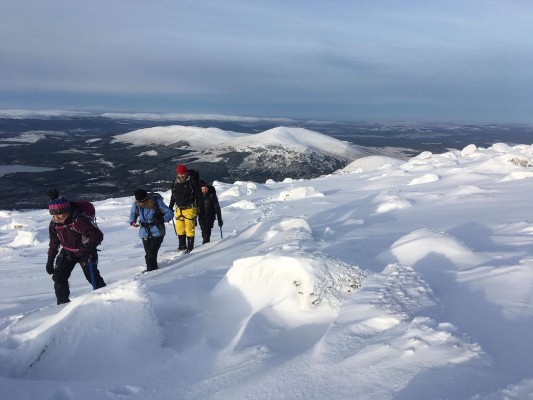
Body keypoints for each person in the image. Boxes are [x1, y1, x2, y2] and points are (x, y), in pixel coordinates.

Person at [46, 189, 106, 305]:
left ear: (66, 210)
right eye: (54, 214)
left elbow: (97, 235)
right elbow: (54, 241)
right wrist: (50, 259)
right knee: (59, 278)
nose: (57, 217)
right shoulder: (54, 224)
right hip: (68, 252)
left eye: (60, 213)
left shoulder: (79, 219)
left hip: (85, 252)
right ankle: (63, 306)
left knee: (92, 277)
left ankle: (105, 297)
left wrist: (91, 247)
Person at [129, 189, 173, 272]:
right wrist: (132, 222)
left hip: (158, 231)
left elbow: (170, 213)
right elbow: (132, 214)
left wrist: (161, 220)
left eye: (143, 202)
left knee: (151, 254)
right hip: (144, 232)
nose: (141, 204)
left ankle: (151, 271)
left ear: (146, 199)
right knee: (149, 254)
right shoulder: (136, 204)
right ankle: (153, 270)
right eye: (139, 202)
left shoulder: (156, 202)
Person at [169, 165, 205, 253]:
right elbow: (173, 195)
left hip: (190, 208)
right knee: (179, 228)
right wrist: (170, 207)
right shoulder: (175, 181)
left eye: (183, 174)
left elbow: (199, 196)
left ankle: (190, 247)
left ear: (186, 173)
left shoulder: (192, 181)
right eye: (179, 174)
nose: (181, 176)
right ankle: (182, 246)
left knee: (189, 228)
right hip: (179, 208)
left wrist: (201, 209)